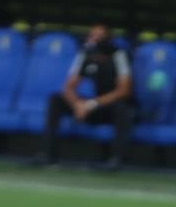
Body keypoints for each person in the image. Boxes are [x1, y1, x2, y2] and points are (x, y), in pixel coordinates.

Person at [35, 24, 134, 170]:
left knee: (124, 108)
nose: (95, 39)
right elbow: (68, 87)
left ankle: (116, 160)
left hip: (110, 107)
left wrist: (90, 104)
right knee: (55, 99)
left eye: (100, 36)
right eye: (93, 35)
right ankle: (47, 154)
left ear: (109, 39)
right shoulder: (85, 54)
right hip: (93, 108)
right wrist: (77, 104)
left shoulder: (119, 55)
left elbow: (124, 90)